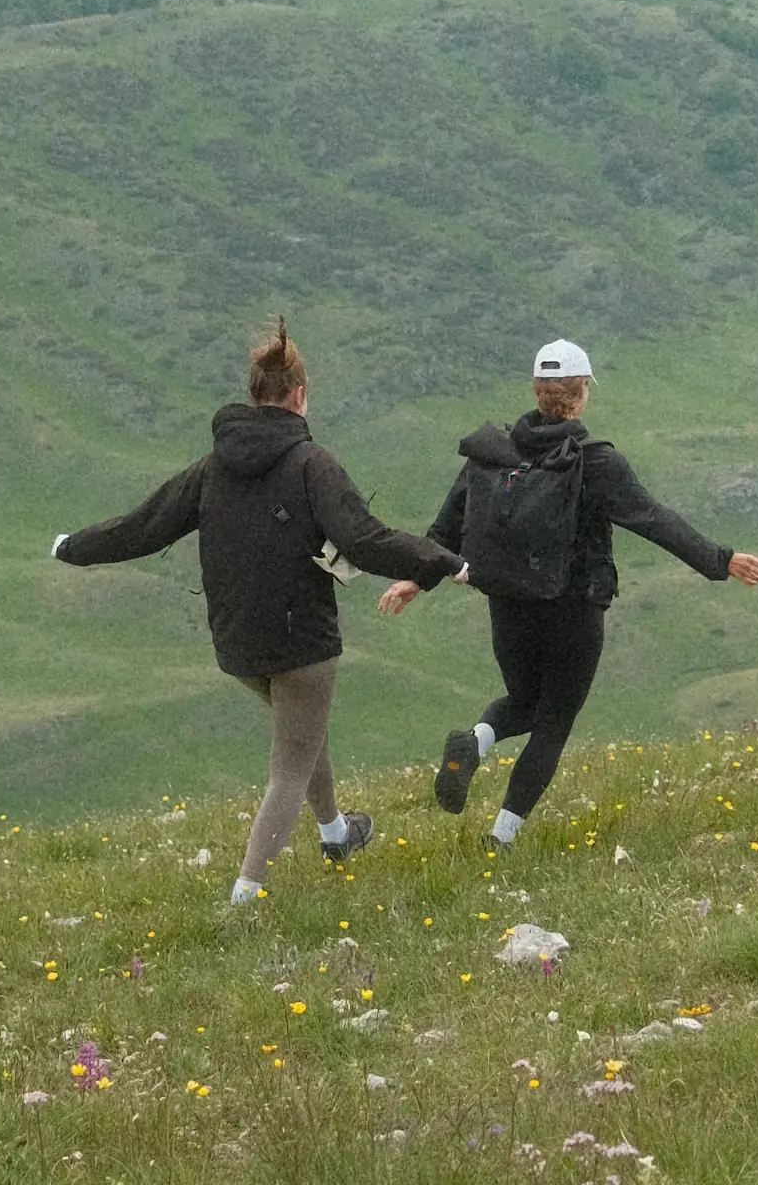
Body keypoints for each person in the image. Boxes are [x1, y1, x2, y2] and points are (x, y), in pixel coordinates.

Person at [51, 318, 462, 903]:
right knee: (291, 763)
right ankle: (245, 896)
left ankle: (337, 834)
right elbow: (365, 538)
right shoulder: (311, 463)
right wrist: (443, 560)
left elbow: (143, 527)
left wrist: (72, 547)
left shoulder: (211, 468)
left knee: (302, 731)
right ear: (299, 395)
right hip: (304, 644)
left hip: (239, 643)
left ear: (254, 394)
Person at [381, 336, 758, 844]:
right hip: (574, 609)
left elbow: (447, 528)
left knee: (523, 701)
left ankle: (475, 742)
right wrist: (722, 560)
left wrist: (416, 577)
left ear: (537, 391)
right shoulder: (594, 462)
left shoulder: (493, 453)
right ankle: (500, 840)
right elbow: (653, 519)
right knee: (555, 720)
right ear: (582, 393)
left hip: (508, 604)